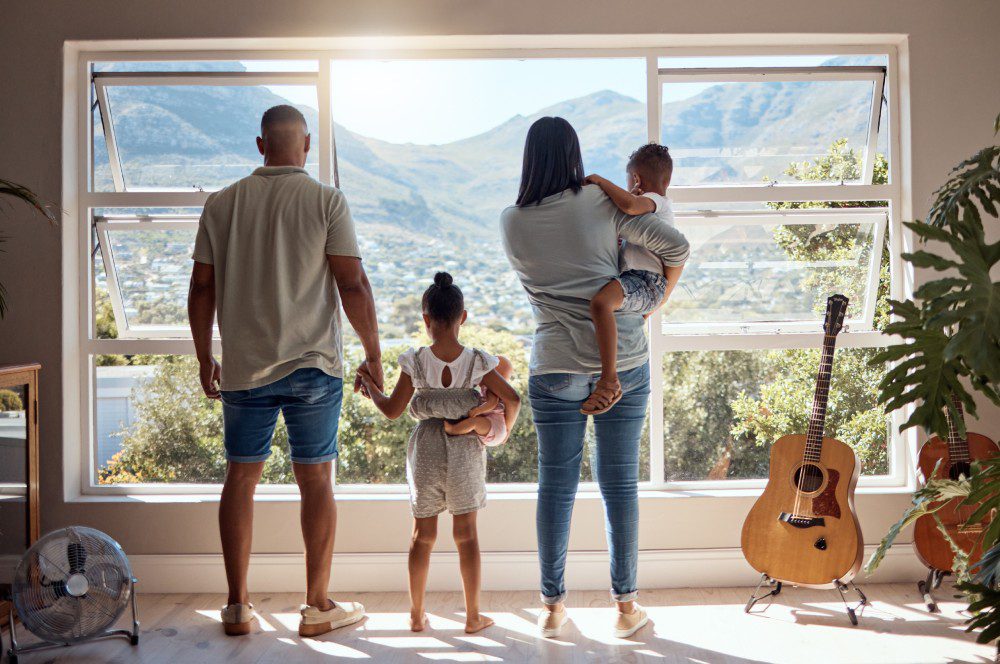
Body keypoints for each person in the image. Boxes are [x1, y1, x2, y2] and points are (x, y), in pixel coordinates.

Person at [188, 104, 383, 638]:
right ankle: (317, 606)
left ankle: (236, 607)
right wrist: (373, 352)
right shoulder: (326, 200)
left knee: (241, 479)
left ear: (260, 145)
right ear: (307, 145)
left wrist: (206, 358)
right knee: (315, 479)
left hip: (246, 370)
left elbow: (201, 288)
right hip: (314, 367)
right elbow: (353, 285)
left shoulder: (223, 204)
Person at [500, 117, 689, 639]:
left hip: (554, 364)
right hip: (623, 359)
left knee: (555, 487)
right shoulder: (603, 203)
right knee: (619, 484)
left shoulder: (511, 221)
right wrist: (656, 301)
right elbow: (675, 247)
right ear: (574, 156)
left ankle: (550, 608)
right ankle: (627, 608)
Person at [358, 272, 521, 635]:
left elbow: (392, 410)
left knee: (422, 536)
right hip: (465, 449)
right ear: (463, 317)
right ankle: (473, 616)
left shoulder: (414, 361)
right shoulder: (478, 361)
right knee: (467, 537)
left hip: (427, 449)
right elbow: (512, 398)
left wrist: (370, 385)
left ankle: (416, 615)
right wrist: (500, 432)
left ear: (426, 319)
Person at [582, 143, 686, 414]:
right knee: (604, 306)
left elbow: (629, 205)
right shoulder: (652, 208)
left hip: (647, 282)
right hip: (641, 281)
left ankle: (609, 381)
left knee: (600, 304)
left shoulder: (657, 201)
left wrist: (600, 180)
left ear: (636, 179)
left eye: (629, 180)